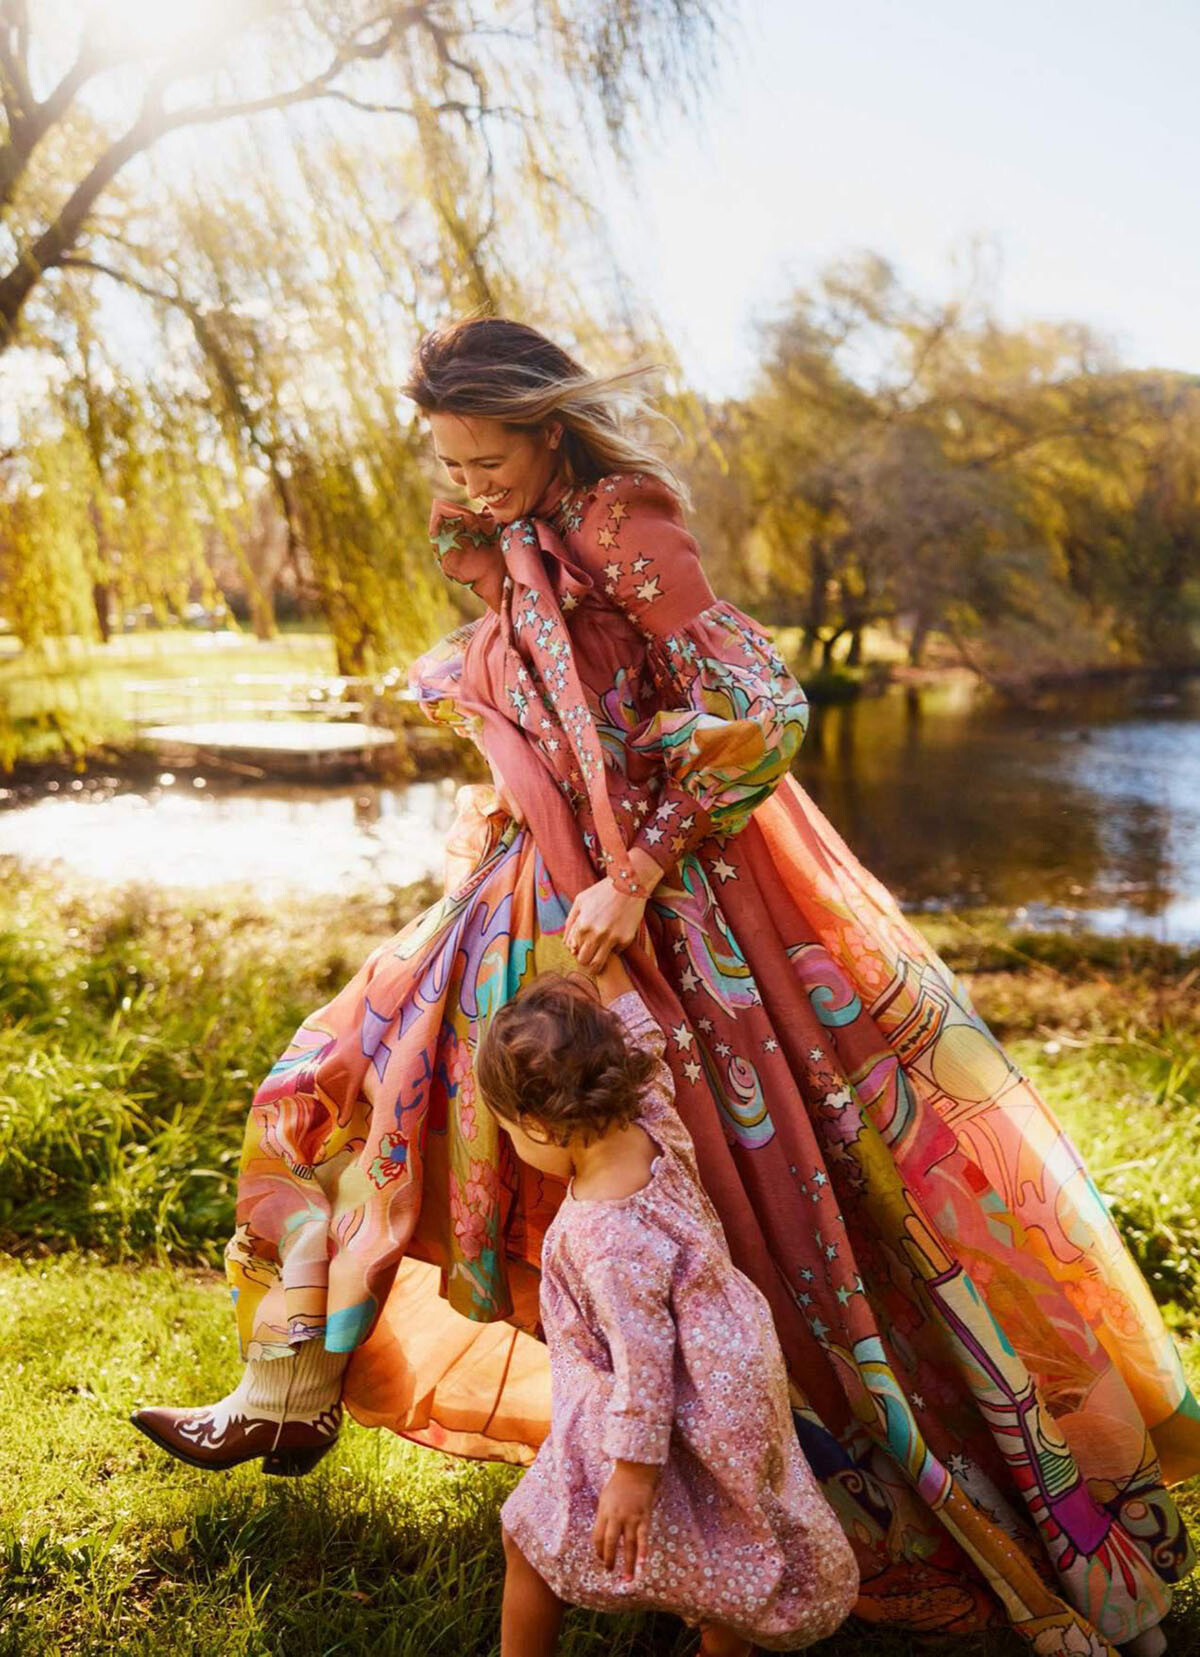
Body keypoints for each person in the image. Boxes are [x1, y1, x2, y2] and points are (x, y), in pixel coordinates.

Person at [133, 318, 1197, 1656]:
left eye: (487, 460)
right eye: (450, 465)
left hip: (664, 909)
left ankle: (759, 1489)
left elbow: (767, 704)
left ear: (549, 429)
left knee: (733, 1205)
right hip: (531, 886)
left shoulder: (625, 523)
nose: (469, 487)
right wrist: (507, 809)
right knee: (348, 1075)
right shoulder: (507, 533)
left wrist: (635, 874)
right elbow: (561, 714)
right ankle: (290, 1377)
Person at [476, 970, 860, 1657]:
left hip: (657, 1412)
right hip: (732, 1383)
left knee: (527, 1537)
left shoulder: (605, 1234)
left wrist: (631, 1473)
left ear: (539, 1124)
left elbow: (644, 1362)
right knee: (729, 1539)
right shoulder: (652, 1117)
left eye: (509, 1133)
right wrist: (608, 969)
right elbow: (645, 1041)